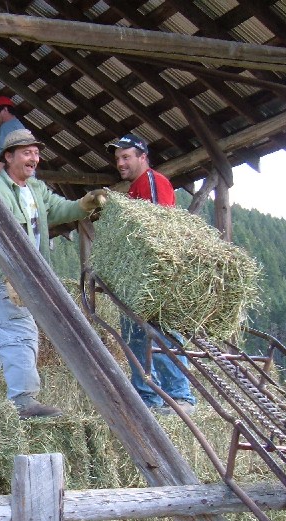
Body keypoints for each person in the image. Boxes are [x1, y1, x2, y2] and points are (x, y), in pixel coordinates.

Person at [0, 128, 106, 418]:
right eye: (27, 152)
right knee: (21, 331)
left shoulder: (35, 190)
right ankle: (23, 400)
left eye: (36, 152)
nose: (34, 157)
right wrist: (7, 276)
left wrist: (83, 204)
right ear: (8, 157)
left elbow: (56, 210)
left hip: (5, 277)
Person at [107, 133, 197, 415]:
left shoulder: (152, 181)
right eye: (118, 159)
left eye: (126, 157)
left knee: (161, 332)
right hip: (137, 276)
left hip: (153, 276)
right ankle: (147, 399)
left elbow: (159, 227)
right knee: (134, 335)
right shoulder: (134, 188)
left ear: (142, 157)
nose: (121, 163)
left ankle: (179, 395)